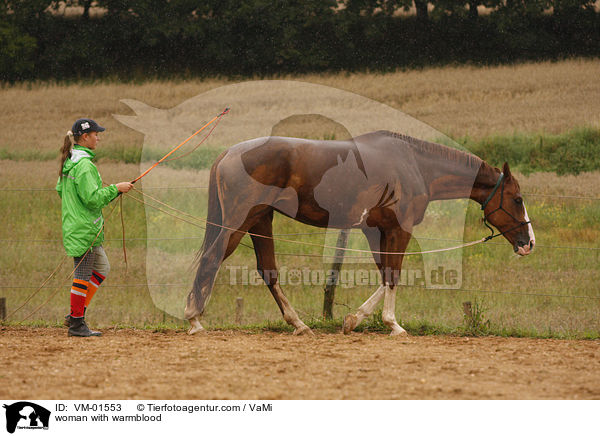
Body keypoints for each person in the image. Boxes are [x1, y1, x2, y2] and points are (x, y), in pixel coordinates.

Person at [56, 118, 133, 337]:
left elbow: (60, 190)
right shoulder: (84, 165)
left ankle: (75, 315)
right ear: (84, 137)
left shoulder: (71, 160)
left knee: (102, 268)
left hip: (81, 227)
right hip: (84, 230)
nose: (98, 137)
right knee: (82, 275)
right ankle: (77, 324)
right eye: (96, 134)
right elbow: (92, 199)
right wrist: (116, 189)